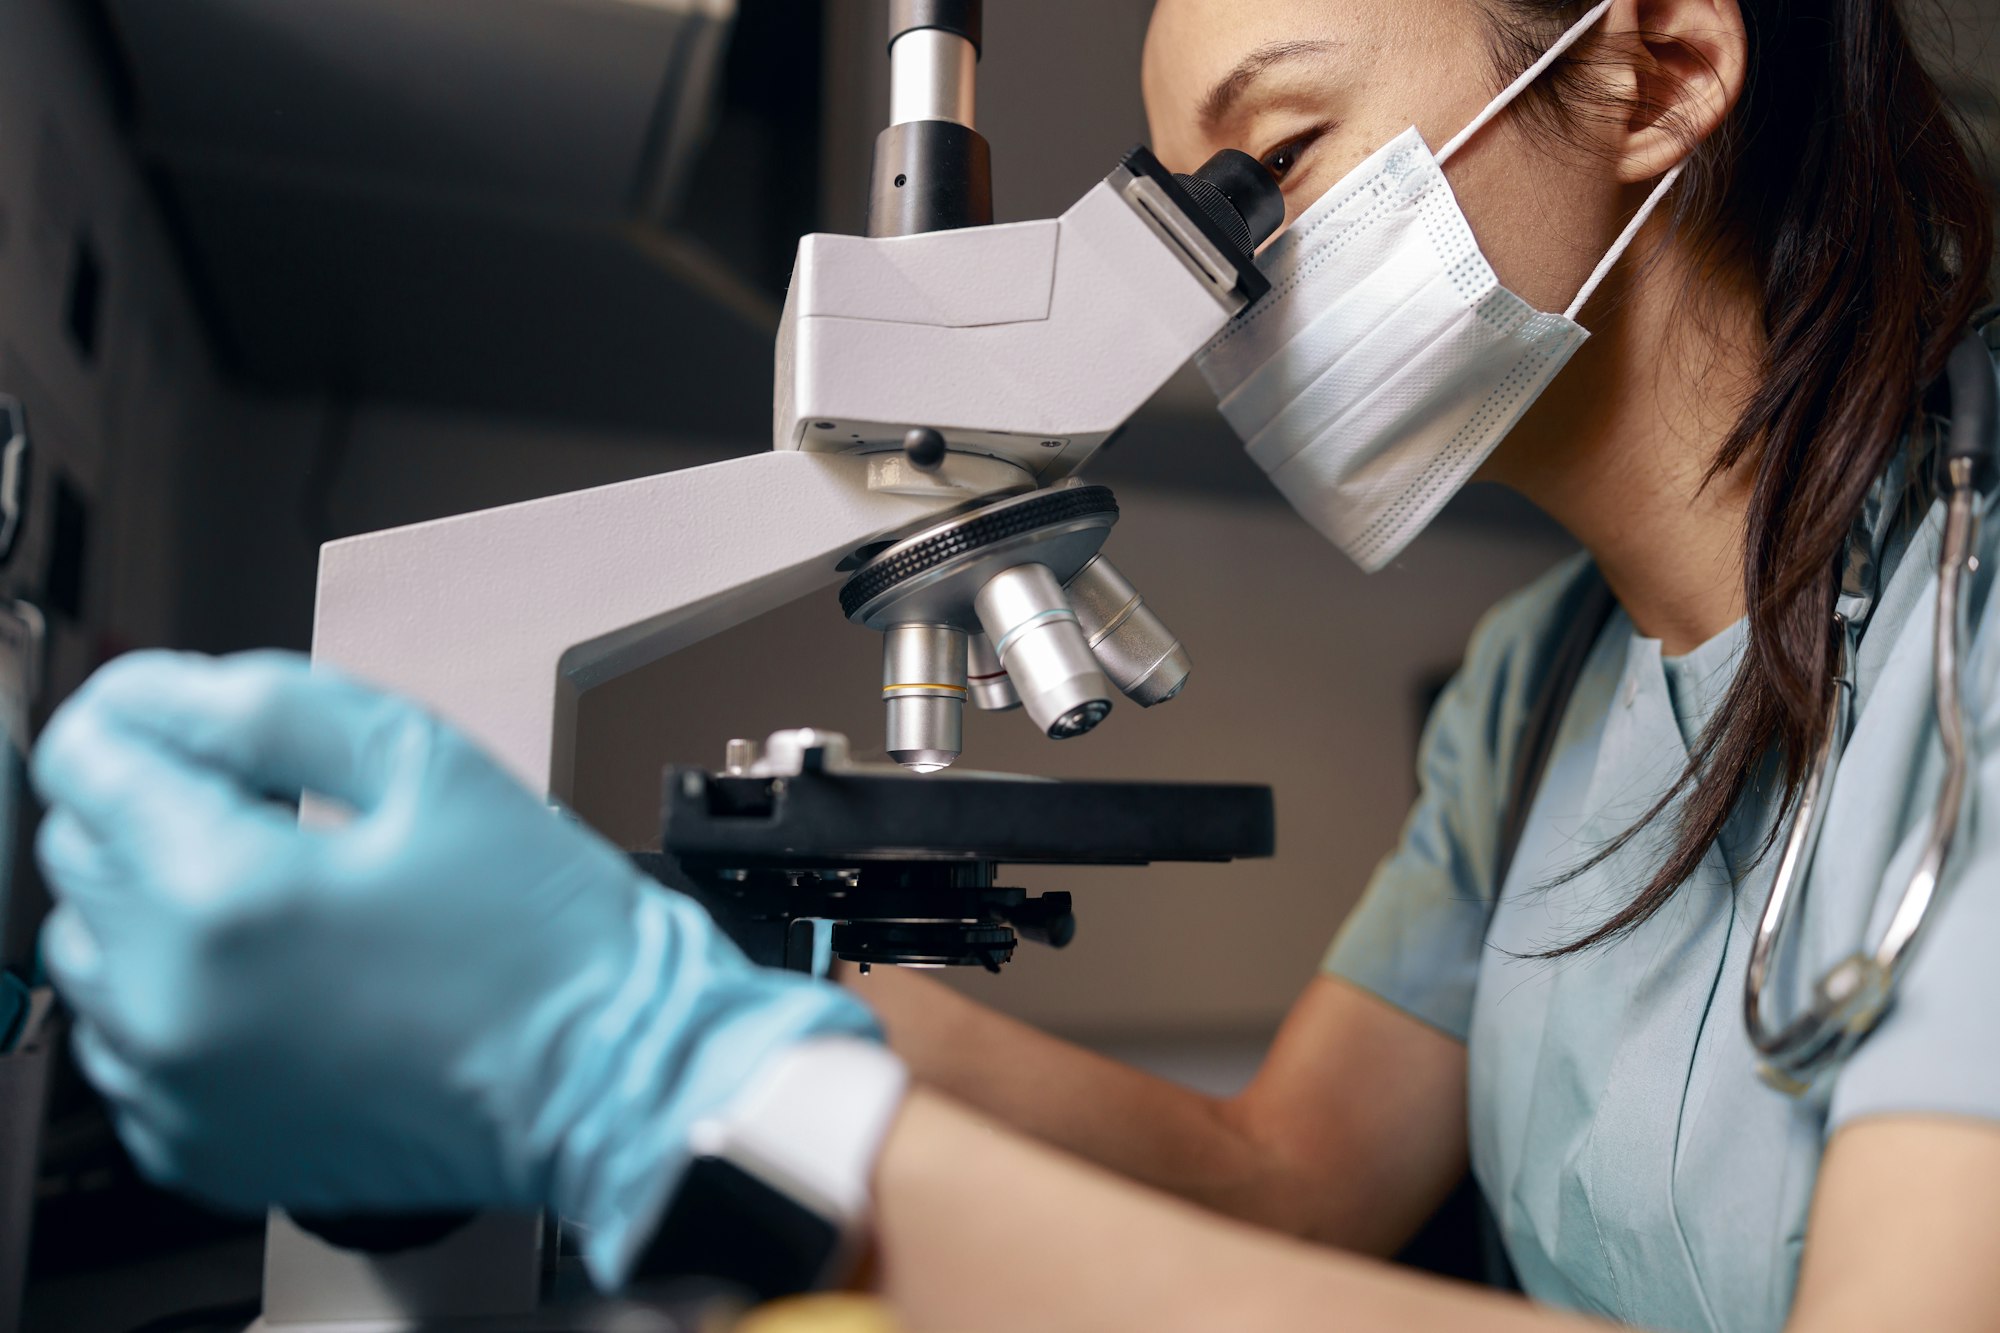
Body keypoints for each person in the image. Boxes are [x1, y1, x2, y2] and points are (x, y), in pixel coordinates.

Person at [30, 0, 2000, 1327]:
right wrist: (711, 980)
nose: (1225, 292)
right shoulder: (1535, 686)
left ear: (1657, 69)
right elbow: (1283, 1177)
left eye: (1277, 160)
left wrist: (665, 1081)